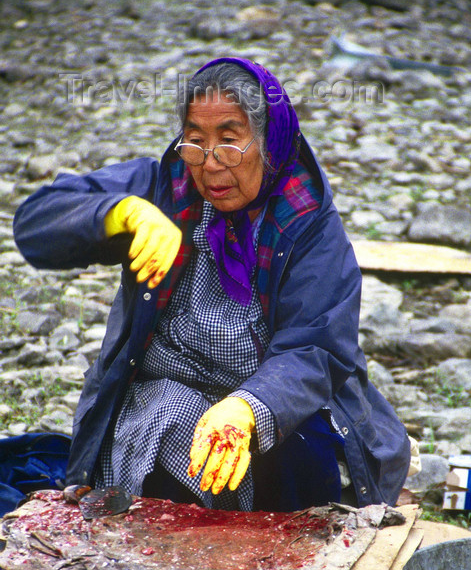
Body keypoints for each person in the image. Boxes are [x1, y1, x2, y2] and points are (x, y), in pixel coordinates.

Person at [13, 57, 411, 512]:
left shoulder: (308, 224)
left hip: (269, 400)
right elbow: (33, 225)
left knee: (293, 453)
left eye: (230, 140)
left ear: (270, 142)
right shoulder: (165, 188)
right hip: (165, 388)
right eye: (196, 141)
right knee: (157, 480)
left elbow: (314, 349)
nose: (211, 163)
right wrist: (120, 213)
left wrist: (247, 408)